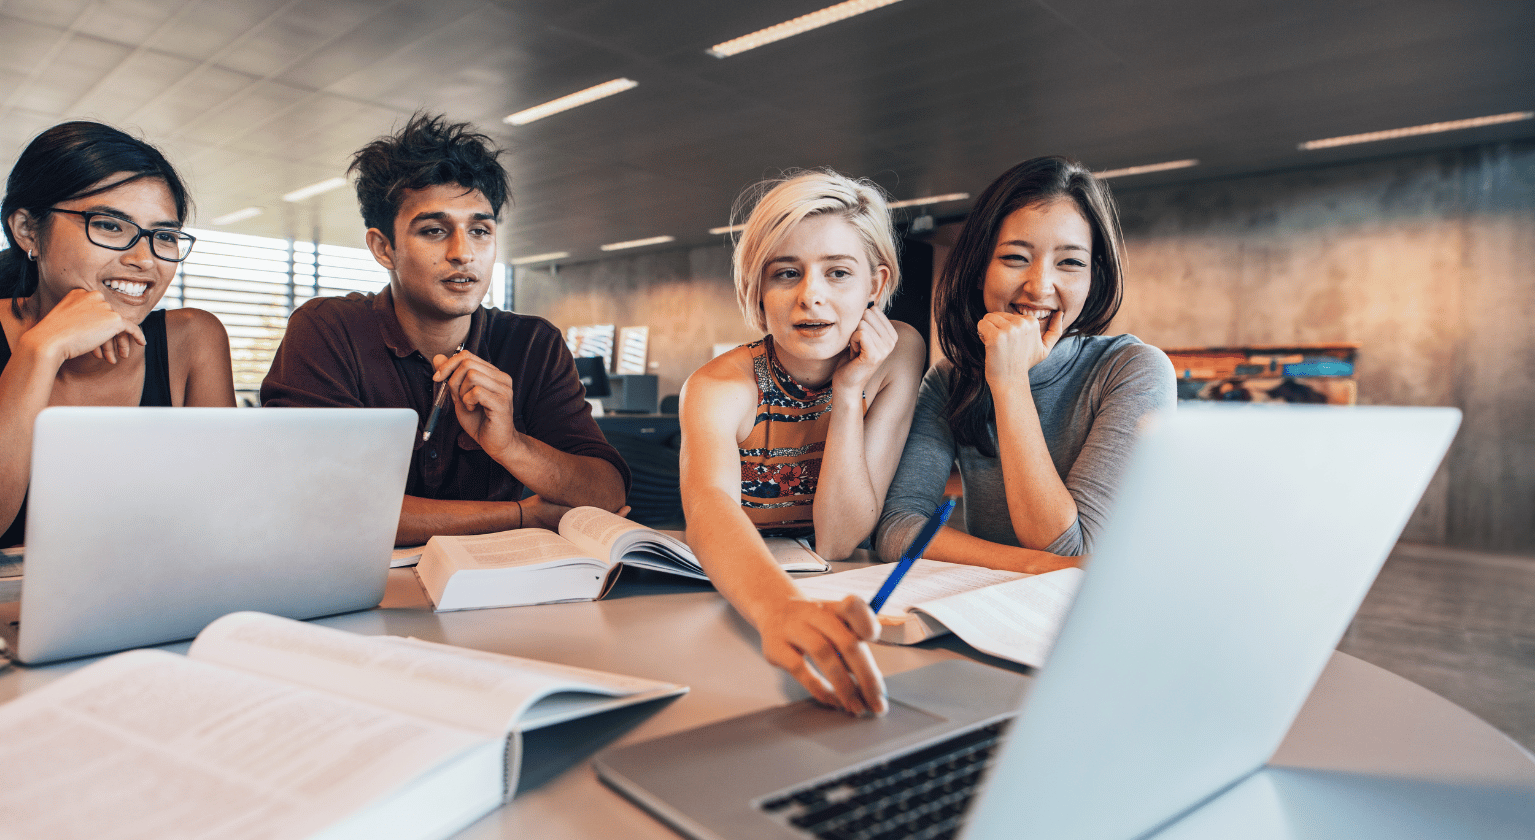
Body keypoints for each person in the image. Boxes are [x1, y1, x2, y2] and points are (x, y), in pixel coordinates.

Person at [260, 113, 628, 546]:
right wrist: (520, 516)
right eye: (434, 231)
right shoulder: (328, 330)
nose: (463, 253)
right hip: (363, 589)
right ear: (383, 248)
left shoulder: (532, 343)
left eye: (480, 230)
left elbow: (607, 493)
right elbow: (324, 506)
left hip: (495, 591)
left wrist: (510, 445)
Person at [680, 169, 926, 717]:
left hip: (835, 588)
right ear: (757, 289)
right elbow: (708, 507)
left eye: (838, 272)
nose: (811, 296)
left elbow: (839, 538)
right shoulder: (719, 385)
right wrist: (778, 610)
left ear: (876, 285)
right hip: (734, 596)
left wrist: (848, 392)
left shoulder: (898, 354)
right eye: (786, 273)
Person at [0, 121, 235, 568]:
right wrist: (42, 350)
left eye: (164, 236)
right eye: (111, 226)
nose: (143, 260)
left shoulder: (193, 340)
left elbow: (225, 524)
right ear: (28, 231)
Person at [876, 156, 1176, 570]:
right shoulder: (949, 380)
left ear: (1094, 278)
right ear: (979, 269)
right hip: (994, 610)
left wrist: (1010, 381)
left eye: (1070, 262)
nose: (1039, 287)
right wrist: (1029, 565)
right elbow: (896, 528)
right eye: (1016, 257)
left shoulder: (1134, 371)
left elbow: (1069, 548)